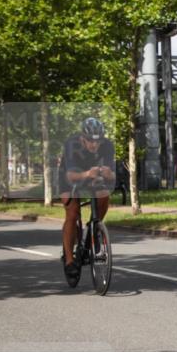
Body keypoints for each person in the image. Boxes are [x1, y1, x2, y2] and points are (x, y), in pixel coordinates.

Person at [60, 118, 116, 284]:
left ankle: (95, 228)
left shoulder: (108, 145)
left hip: (94, 176)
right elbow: (70, 175)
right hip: (69, 176)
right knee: (72, 213)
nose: (94, 145)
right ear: (82, 138)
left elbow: (112, 172)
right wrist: (86, 174)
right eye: (90, 141)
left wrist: (109, 174)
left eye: (97, 141)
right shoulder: (71, 144)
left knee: (104, 194)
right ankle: (70, 260)